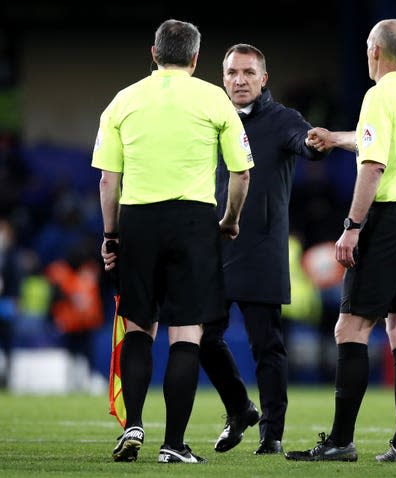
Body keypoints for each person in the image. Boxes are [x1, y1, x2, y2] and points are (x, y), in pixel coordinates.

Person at [92, 19, 252, 464]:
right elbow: (241, 173)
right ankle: (174, 444)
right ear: (197, 58)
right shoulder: (213, 98)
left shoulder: (123, 100)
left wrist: (111, 235)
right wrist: (229, 220)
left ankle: (135, 423)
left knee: (140, 327)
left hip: (138, 220)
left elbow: (108, 180)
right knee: (186, 334)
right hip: (194, 221)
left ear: (153, 53)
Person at [284, 18, 396, 463]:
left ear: (374, 50)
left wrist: (352, 226)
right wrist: (336, 139)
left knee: (350, 327)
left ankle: (340, 441)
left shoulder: (376, 95)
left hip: (388, 219)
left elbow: (374, 166)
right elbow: (379, 145)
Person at [199, 43, 327, 455]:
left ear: (263, 79)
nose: (239, 80)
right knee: (201, 339)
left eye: (248, 73)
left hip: (261, 248)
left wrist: (316, 140)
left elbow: (305, 143)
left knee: (266, 347)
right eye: (232, 72)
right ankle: (239, 408)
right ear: (223, 77)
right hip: (214, 247)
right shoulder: (210, 120)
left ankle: (271, 434)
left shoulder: (282, 119)